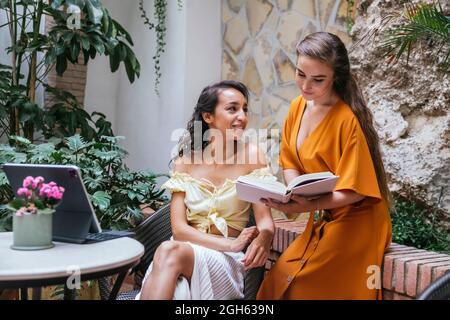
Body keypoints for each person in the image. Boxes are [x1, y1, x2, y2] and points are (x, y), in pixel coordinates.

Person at [256, 32, 392, 300]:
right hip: (324, 215)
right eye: (300, 74)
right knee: (277, 281)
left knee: (302, 287)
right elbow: (289, 161)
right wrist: (293, 191)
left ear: (335, 78)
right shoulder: (297, 107)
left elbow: (357, 191)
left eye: (318, 79)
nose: (305, 85)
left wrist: (308, 205)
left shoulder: (346, 120)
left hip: (359, 221)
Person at [137, 80, 275, 300]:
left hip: (224, 261)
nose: (242, 117)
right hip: (183, 252)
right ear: (208, 116)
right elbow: (180, 230)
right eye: (232, 109)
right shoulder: (185, 161)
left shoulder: (253, 158)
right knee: (173, 273)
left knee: (168, 251)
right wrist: (231, 242)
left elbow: (265, 222)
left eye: (244, 109)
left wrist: (264, 237)